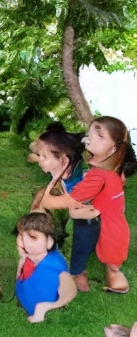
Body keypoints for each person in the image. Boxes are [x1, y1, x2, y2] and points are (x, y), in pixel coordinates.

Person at [40, 116, 137, 294]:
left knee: (83, 241)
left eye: (100, 135)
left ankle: (79, 272)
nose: (91, 136)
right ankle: (111, 272)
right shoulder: (115, 166)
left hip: (100, 221)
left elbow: (64, 202)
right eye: (91, 131)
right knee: (112, 253)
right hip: (115, 220)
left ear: (112, 149)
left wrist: (46, 196)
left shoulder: (98, 175)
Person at [31, 130, 99, 289]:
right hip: (73, 203)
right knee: (38, 208)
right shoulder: (68, 165)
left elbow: (48, 201)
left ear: (62, 160)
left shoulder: (83, 179)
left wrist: (54, 179)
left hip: (92, 215)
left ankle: (78, 270)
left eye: (43, 156)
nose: (39, 160)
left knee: (84, 232)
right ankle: (46, 248)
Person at [15, 211, 77, 323]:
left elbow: (70, 289)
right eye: (21, 235)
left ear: (49, 242)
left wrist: (46, 307)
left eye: (33, 238)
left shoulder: (54, 266)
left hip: (40, 305)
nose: (23, 242)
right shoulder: (29, 256)